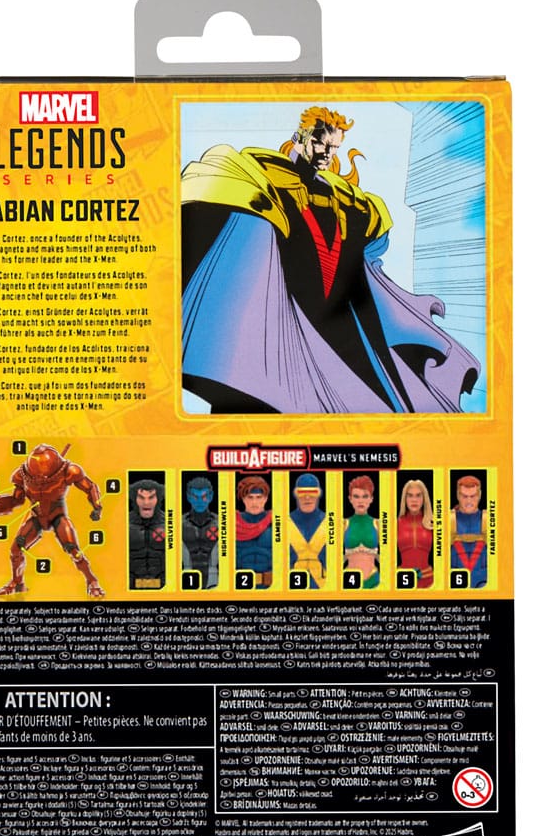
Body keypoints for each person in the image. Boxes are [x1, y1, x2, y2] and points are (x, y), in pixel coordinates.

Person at [181, 106, 479, 414]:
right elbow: (221, 191)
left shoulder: (340, 196)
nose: (327, 153)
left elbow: (360, 241)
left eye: (334, 147)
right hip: (281, 313)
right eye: (320, 143)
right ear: (300, 137)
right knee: (260, 404)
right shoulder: (263, 177)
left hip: (335, 318)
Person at [0, 443, 104, 597]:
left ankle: (92, 581)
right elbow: (17, 499)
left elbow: (90, 487)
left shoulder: (69, 471)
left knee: (74, 550)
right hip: (36, 517)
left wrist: (97, 507)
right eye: (36, 477)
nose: (40, 480)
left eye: (44, 477)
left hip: (57, 516)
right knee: (16, 550)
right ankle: (17, 583)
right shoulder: (22, 475)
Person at [288, 473, 327, 588]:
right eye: (302, 493)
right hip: (292, 589)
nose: (307, 497)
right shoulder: (284, 523)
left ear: (319, 494)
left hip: (323, 588)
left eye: (312, 493)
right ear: (296, 494)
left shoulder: (331, 522)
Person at [235, 475, 273, 588]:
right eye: (250, 497)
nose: (254, 502)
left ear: (266, 498)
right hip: (239, 586)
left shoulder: (276, 521)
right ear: (243, 498)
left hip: (270, 587)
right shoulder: (232, 522)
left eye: (259, 497)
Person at [449, 475, 487, 588]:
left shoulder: (490, 520)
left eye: (473, 496)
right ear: (458, 495)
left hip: (484, 584)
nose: (469, 501)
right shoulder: (448, 520)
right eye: (464, 496)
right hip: (455, 584)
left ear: (479, 495)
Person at [343, 475, 380, 588]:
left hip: (374, 580)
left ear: (371, 499)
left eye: (365, 496)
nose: (360, 501)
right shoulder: (343, 524)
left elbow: (386, 557)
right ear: (350, 499)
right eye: (356, 496)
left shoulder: (378, 523)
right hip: (349, 580)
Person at [129, 478, 166, 589]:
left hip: (164, 586)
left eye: (151, 497)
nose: (146, 503)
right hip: (130, 586)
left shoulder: (170, 523)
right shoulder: (123, 523)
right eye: (141, 498)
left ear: (158, 498)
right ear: (134, 498)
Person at [182, 476, 219, 588]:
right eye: (195, 497)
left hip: (214, 580)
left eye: (204, 497)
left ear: (211, 496)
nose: (199, 501)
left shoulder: (221, 523)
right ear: (188, 497)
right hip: (186, 578)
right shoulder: (178, 523)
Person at [396, 479, 434, 588]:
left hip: (429, 581)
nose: (414, 500)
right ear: (405, 498)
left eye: (418, 495)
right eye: (410, 495)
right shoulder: (396, 523)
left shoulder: (433, 523)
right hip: (402, 580)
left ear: (424, 498)